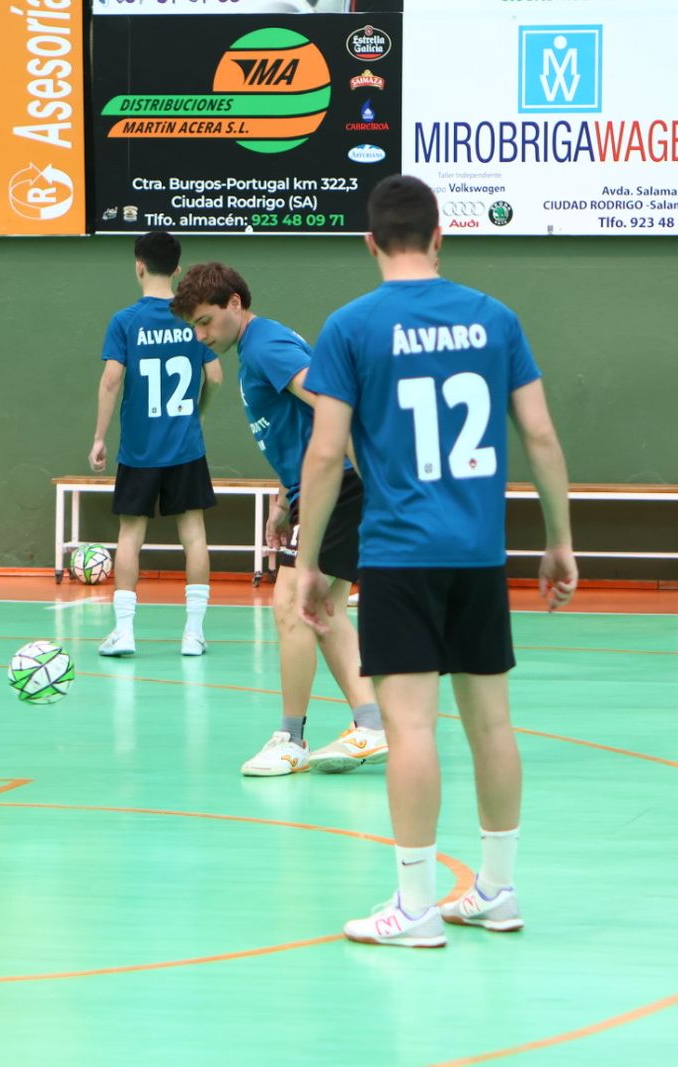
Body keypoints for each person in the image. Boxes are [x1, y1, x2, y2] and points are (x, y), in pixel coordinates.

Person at [294, 174, 578, 947]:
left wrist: (308, 558)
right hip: (480, 554)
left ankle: (417, 907)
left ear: (370, 242)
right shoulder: (495, 318)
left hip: (399, 554)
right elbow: (542, 434)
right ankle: (498, 889)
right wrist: (559, 538)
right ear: (441, 235)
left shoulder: (351, 326)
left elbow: (324, 456)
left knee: (410, 724)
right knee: (493, 724)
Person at [172, 262, 387, 776]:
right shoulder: (259, 346)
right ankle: (372, 724)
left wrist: (361, 474)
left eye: (206, 322)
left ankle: (291, 740)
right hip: (322, 487)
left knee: (289, 603)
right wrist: (284, 500)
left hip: (338, 483)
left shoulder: (265, 346)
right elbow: (302, 422)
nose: (202, 337)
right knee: (322, 609)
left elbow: (333, 401)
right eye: (194, 329)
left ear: (234, 305)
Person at [89, 231, 222, 657]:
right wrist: (198, 413)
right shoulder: (192, 319)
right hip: (186, 446)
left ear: (138, 266)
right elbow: (215, 377)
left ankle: (125, 631)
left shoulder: (125, 321)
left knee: (131, 535)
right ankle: (194, 634)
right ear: (179, 271)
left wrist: (98, 438)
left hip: (140, 449)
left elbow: (112, 380)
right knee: (193, 533)